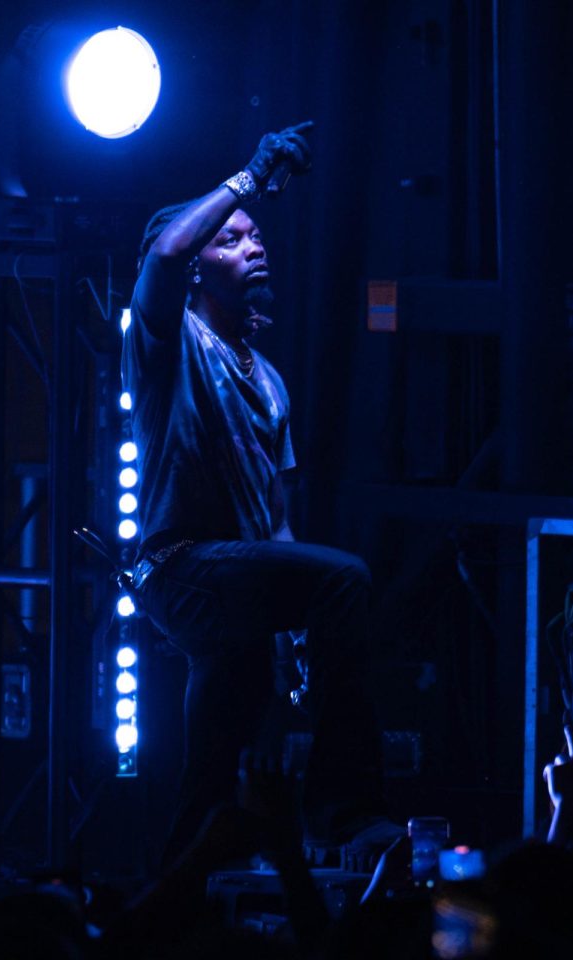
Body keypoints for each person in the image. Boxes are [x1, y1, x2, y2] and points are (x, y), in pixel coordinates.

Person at [123, 122, 390, 862]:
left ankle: (175, 898)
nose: (254, 243)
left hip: (235, 584)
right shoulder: (167, 339)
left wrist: (297, 632)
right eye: (232, 239)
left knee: (213, 777)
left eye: (257, 235)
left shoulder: (268, 380)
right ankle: (344, 811)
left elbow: (276, 524)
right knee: (351, 581)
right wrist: (250, 172)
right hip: (183, 567)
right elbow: (167, 251)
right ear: (200, 267)